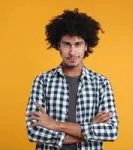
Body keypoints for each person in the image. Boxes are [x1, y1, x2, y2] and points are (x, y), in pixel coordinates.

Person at [26, 8, 119, 150]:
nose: (72, 52)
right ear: (58, 46)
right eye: (67, 44)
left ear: (86, 46)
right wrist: (90, 128)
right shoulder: (42, 81)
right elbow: (33, 131)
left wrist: (55, 125)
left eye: (78, 44)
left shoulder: (101, 83)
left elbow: (111, 131)